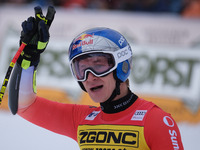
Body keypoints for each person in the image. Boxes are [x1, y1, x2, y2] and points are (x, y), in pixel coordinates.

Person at [9, 6, 184, 150]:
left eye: (99, 65)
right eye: (82, 68)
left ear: (122, 66)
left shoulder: (156, 121)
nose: (90, 77)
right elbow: (23, 105)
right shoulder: (81, 120)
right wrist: (28, 60)